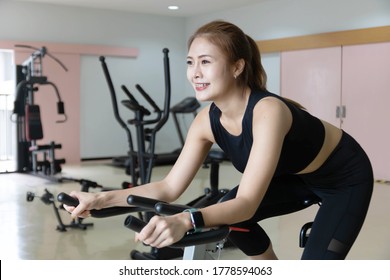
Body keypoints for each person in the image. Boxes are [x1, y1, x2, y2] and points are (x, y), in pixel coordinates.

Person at [65, 20, 373, 260]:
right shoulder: (206, 121)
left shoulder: (268, 111)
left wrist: (188, 220)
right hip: (294, 176)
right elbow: (168, 187)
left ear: (238, 67)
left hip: (343, 179)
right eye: (190, 62)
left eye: (205, 62)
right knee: (231, 217)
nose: (195, 73)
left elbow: (248, 203)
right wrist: (100, 199)